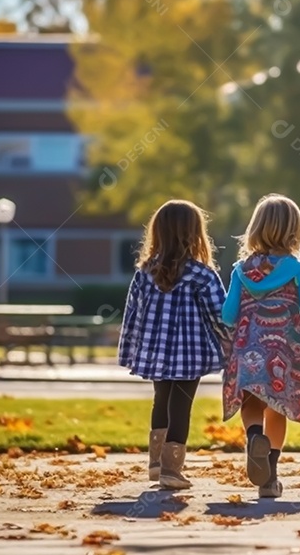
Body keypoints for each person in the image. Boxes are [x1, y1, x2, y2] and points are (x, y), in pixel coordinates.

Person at [221, 194, 300, 499]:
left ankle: (254, 436)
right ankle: (269, 477)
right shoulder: (299, 271)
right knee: (277, 407)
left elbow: (228, 314)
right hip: (284, 350)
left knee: (251, 402)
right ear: (296, 232)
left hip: (248, 345)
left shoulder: (240, 271)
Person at [117, 199, 228, 490]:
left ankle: (156, 463)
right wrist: (234, 344)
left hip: (154, 352)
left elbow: (132, 313)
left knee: (161, 401)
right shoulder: (202, 274)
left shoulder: (145, 271)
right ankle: (171, 469)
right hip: (189, 354)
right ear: (194, 234)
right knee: (181, 406)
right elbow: (221, 315)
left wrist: (130, 349)